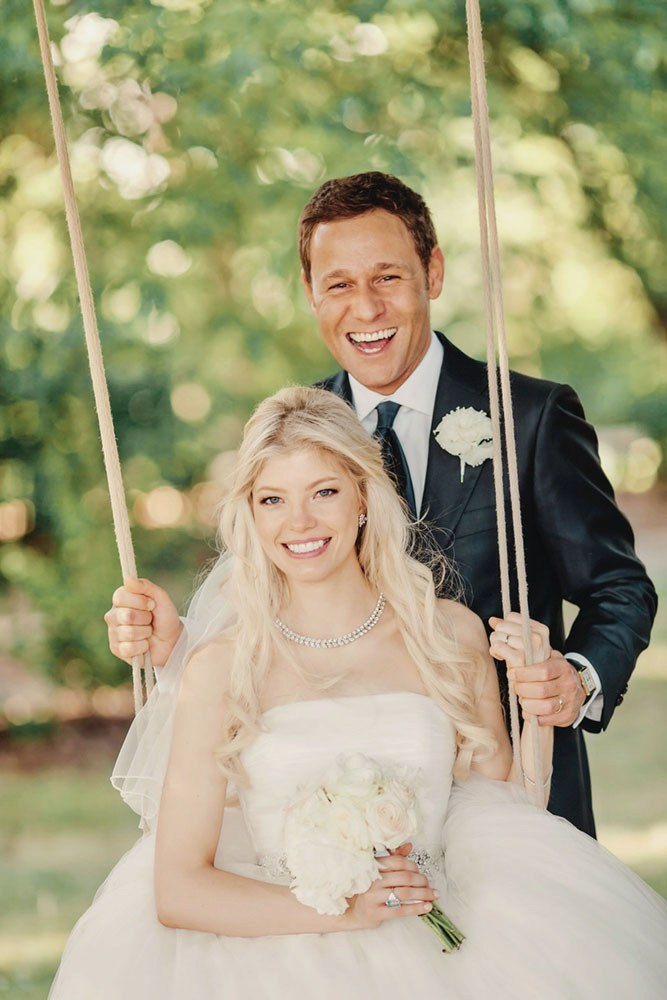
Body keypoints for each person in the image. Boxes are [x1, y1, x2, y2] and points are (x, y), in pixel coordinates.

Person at [51, 387, 666, 1000]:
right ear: (251, 515)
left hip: (443, 944)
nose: (300, 523)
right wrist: (344, 912)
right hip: (272, 959)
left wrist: (538, 712)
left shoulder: (446, 633)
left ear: (364, 499)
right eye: (273, 500)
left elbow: (507, 813)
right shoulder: (220, 668)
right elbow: (179, 891)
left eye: (324, 492)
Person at [107, 172, 656, 836]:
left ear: (433, 272)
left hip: (515, 796)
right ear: (310, 293)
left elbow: (617, 585)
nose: (365, 309)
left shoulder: (527, 418)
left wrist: (575, 678)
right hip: (342, 810)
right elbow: (266, 610)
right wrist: (178, 651)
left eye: (387, 278)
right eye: (338, 284)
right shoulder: (289, 431)